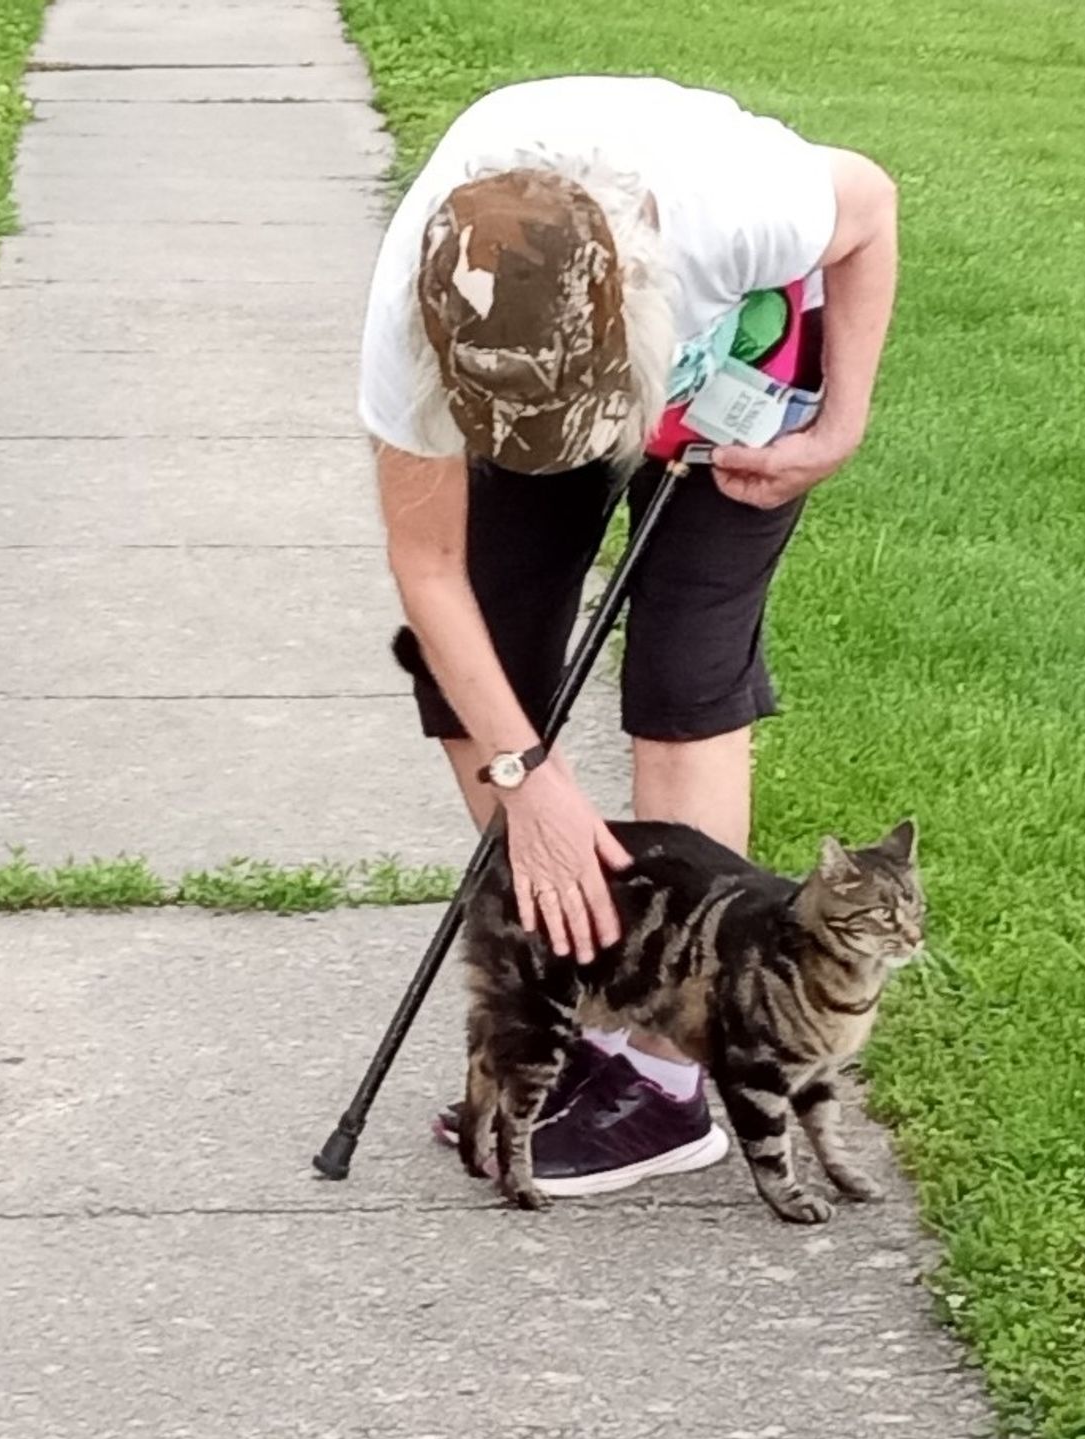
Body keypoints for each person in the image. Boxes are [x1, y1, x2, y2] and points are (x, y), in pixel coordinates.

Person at [357, 74, 898, 1197]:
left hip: (737, 365)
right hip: (558, 351)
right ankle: (591, 992)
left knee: (683, 668)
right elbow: (428, 571)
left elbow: (871, 207)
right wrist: (530, 787)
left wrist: (839, 426)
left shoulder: (734, 205)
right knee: (475, 669)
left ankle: (665, 1077)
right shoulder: (413, 330)